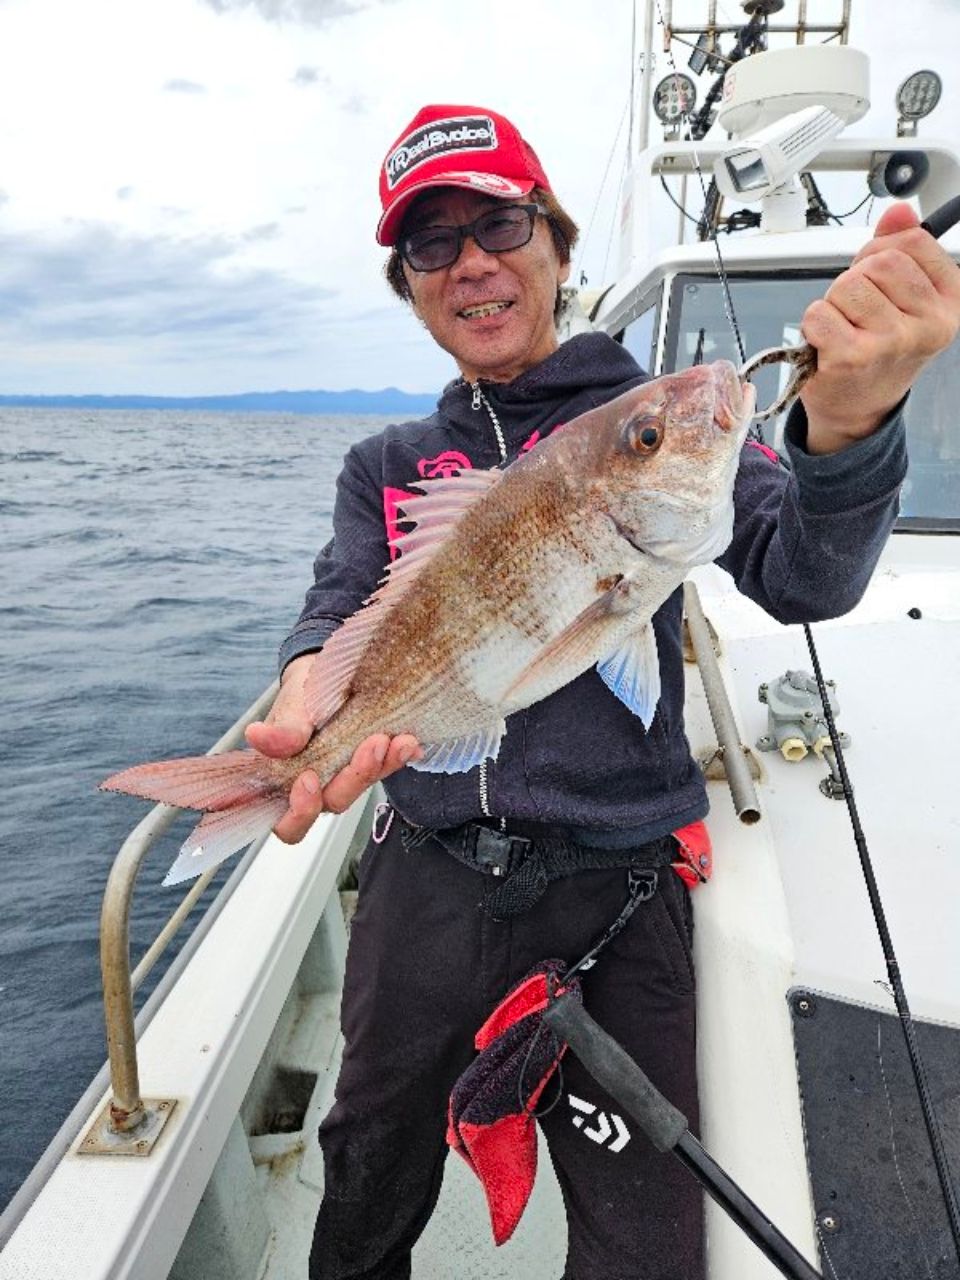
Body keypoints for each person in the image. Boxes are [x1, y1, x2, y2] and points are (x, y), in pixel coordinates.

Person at [245, 104, 960, 1280]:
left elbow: (806, 574)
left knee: (642, 1233)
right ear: (412, 288)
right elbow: (337, 605)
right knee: (365, 1174)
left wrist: (850, 427)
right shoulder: (385, 465)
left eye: (501, 221)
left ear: (559, 246)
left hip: (617, 889)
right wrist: (303, 690)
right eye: (433, 245)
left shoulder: (650, 421)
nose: (471, 259)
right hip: (422, 869)